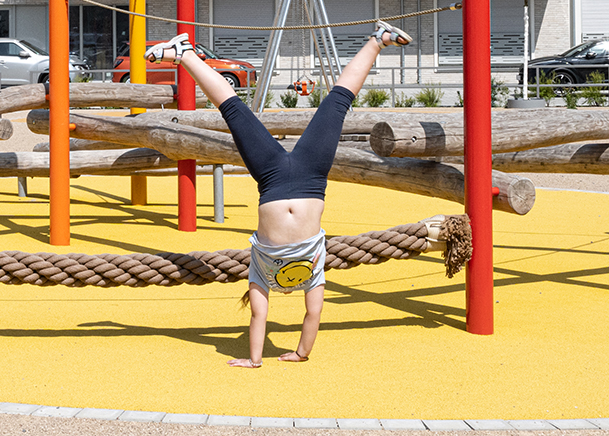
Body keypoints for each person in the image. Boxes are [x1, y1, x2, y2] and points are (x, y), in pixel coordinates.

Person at [148, 21, 412, 367]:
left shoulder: (260, 273)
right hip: (311, 177)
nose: (287, 292)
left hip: (271, 178)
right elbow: (313, 316)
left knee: (235, 112)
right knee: (336, 105)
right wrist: (301, 353)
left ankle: (183, 54)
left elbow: (258, 319)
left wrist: (254, 360)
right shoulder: (314, 273)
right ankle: (377, 41)